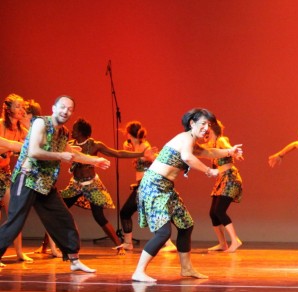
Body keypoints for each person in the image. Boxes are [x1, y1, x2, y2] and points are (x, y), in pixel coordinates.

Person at [0, 95, 110, 272]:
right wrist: (60, 156)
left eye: (69, 109)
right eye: (62, 107)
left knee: (63, 218)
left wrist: (94, 161)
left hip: (44, 183)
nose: (65, 111)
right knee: (16, 222)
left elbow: (71, 154)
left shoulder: (64, 132)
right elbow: (34, 151)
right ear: (53, 108)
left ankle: (74, 260)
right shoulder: (41, 124)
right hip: (27, 179)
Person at [131, 108, 242, 282]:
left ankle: (187, 268)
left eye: (209, 124)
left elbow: (209, 152)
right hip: (154, 186)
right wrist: (208, 171)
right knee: (163, 233)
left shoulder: (191, 141)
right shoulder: (186, 139)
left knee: (186, 225)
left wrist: (230, 152)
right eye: (203, 123)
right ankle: (139, 271)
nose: (206, 128)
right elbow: (187, 157)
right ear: (192, 123)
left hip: (166, 187)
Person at [59, 118, 146, 255]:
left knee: (99, 216)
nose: (71, 130)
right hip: (75, 184)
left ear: (81, 132)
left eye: (74, 128)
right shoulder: (70, 144)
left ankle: (119, 246)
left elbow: (117, 153)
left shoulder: (95, 145)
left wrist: (141, 154)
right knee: (58, 211)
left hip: (91, 184)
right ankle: (46, 246)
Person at [114, 121, 175, 253]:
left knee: (128, 212)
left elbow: (157, 162)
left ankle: (167, 243)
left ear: (129, 134)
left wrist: (153, 157)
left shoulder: (145, 147)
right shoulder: (135, 146)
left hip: (146, 185)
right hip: (141, 185)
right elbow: (126, 148)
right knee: (144, 213)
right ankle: (129, 242)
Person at [0, 94, 32, 264]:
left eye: (22, 106)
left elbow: (34, 143)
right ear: (8, 109)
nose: (21, 109)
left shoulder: (21, 129)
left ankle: (19, 252)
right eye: (18, 106)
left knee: (14, 211)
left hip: (4, 172)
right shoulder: (0, 125)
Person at [205, 119, 244, 253]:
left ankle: (235, 240)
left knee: (219, 211)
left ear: (212, 131)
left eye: (207, 132)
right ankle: (222, 244)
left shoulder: (221, 140)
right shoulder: (212, 145)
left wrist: (235, 153)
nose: (205, 135)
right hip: (222, 179)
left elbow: (229, 147)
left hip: (230, 178)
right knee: (213, 213)